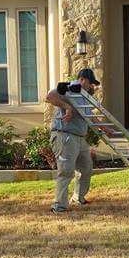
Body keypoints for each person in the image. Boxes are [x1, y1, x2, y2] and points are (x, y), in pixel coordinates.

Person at [46, 67, 100, 214]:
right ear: (82, 80)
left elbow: (90, 117)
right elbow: (49, 96)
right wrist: (67, 106)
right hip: (65, 135)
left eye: (91, 84)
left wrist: (105, 129)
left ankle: (78, 197)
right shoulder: (68, 88)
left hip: (79, 138)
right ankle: (59, 205)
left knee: (86, 168)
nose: (90, 86)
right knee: (66, 170)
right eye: (89, 83)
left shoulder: (85, 96)